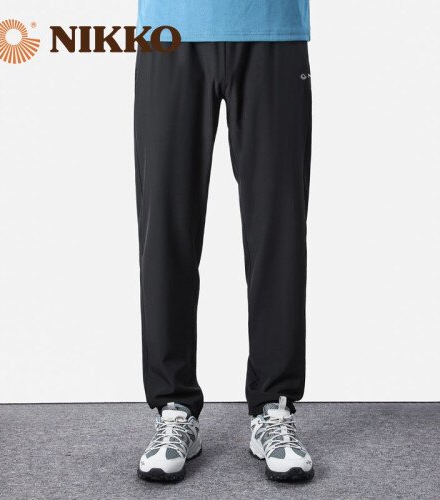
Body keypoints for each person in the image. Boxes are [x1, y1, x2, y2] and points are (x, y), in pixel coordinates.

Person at [134, 0, 313, 482]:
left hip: (273, 28)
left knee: (278, 230)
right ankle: (173, 408)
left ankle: (274, 405)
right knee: (165, 227)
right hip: (170, 28)